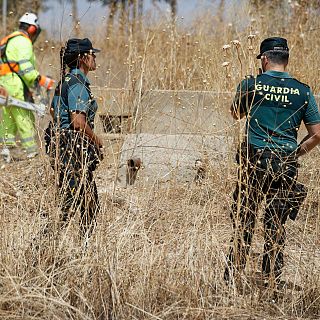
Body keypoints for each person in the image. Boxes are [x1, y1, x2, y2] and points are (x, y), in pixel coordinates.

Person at [224, 37, 320, 293]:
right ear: (286, 60)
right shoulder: (303, 90)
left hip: (254, 161)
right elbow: (317, 134)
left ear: (264, 59)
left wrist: (254, 89)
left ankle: (232, 277)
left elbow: (236, 113)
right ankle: (271, 281)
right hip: (285, 162)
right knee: (276, 224)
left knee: (244, 219)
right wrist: (295, 154)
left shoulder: (251, 84)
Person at [49, 38, 103, 239]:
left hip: (63, 148)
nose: (95, 58)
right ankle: (45, 246)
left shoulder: (64, 81)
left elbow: (53, 111)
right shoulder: (78, 84)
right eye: (92, 54)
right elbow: (78, 121)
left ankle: (83, 248)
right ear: (82, 58)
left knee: (86, 202)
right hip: (73, 150)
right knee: (71, 204)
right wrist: (96, 141)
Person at [0, 12, 54, 163]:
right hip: (15, 84)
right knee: (25, 117)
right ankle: (32, 154)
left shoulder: (10, 39)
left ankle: (6, 154)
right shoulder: (23, 42)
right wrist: (41, 80)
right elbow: (25, 67)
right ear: (31, 29)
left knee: (8, 118)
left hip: (5, 83)